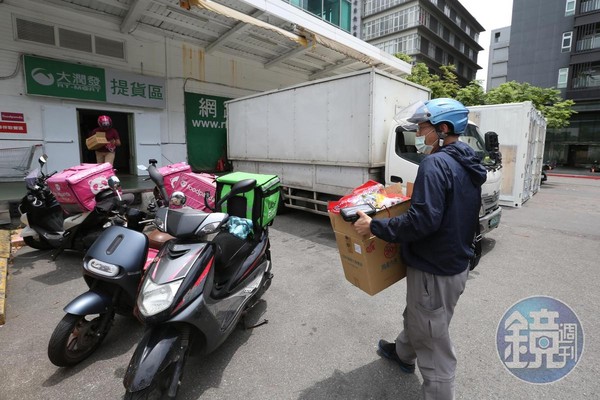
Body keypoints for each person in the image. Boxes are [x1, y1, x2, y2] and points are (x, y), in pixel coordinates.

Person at [353, 98, 486, 400]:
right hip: (456, 262)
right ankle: (402, 354)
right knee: (420, 315)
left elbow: (422, 222)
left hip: (434, 268)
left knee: (432, 338)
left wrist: (373, 226)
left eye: (423, 127)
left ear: (442, 128)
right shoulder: (468, 162)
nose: (419, 134)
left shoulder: (435, 164)